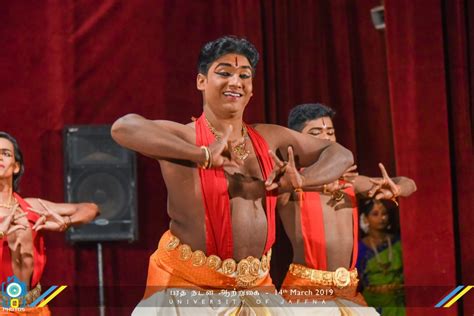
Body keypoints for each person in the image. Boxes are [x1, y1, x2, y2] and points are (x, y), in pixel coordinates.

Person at [111, 36, 354, 315]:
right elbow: (123, 127)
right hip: (191, 292)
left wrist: (303, 179)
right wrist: (201, 155)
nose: (235, 82)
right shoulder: (184, 137)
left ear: (251, 90)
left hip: (258, 292)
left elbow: (340, 154)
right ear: (201, 81)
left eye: (244, 75)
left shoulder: (270, 137)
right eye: (224, 72)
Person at [277, 103, 416, 314]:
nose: (327, 138)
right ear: (297, 142)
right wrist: (310, 182)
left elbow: (410, 183)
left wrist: (395, 188)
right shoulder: (291, 184)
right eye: (316, 132)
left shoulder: (349, 183)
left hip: (348, 293)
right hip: (307, 294)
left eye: (330, 132)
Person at [0, 131, 99, 315]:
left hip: (34, 307)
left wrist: (67, 222)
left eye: (5, 153)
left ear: (16, 167)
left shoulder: (33, 206)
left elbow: (91, 208)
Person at [357, 199, 405, 316]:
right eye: (375, 214)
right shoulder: (360, 247)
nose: (382, 218)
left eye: (384, 213)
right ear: (365, 219)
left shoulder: (398, 242)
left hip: (399, 301)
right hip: (373, 302)